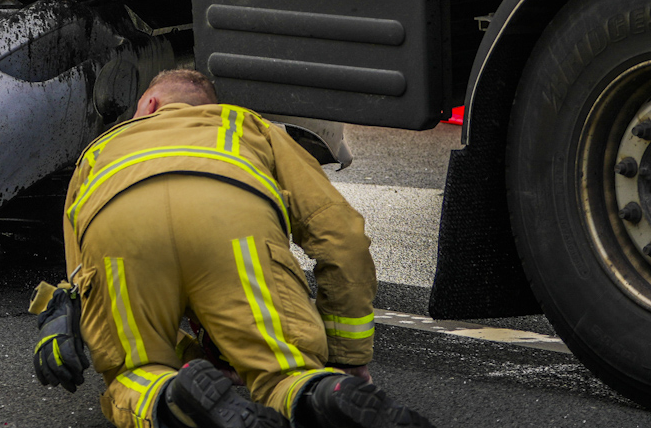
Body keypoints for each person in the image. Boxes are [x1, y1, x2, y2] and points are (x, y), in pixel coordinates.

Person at [31, 69, 434, 428]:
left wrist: (191, 360)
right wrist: (347, 357)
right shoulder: (246, 127)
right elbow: (342, 235)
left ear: (149, 104)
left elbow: (82, 276)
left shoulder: (101, 149)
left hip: (120, 227)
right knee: (285, 372)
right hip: (232, 225)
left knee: (137, 372)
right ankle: (322, 395)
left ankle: (173, 401)